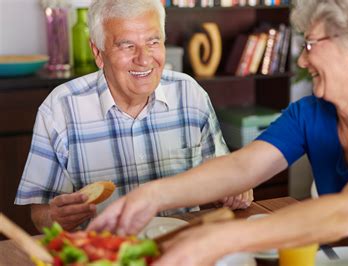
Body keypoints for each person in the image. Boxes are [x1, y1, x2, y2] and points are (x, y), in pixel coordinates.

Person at [89, 0, 348, 265]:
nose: (303, 59)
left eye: (310, 44)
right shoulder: (311, 113)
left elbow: (346, 212)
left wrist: (219, 238)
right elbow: (241, 168)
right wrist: (152, 195)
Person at [14, 0, 252, 232]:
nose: (144, 58)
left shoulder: (190, 94)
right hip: (105, 254)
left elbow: (220, 178)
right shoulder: (60, 108)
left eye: (153, 42)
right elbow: (40, 215)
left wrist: (234, 189)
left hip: (182, 250)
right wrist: (56, 217)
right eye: (126, 46)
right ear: (98, 52)